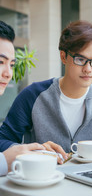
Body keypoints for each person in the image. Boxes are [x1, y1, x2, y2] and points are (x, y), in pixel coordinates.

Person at [0, 20, 92, 162]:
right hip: (45, 180)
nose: (88, 69)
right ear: (63, 56)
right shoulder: (32, 95)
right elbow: (2, 140)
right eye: (80, 59)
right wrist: (36, 150)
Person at [0, 21, 45, 176]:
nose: (8, 73)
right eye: (1, 62)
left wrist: (31, 149)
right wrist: (3, 161)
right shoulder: (33, 94)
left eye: (11, 65)